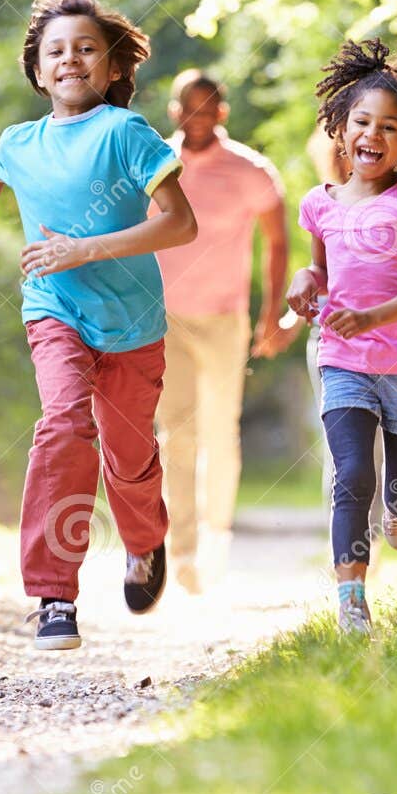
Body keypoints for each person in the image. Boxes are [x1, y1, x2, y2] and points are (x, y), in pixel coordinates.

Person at [0, 0, 198, 651]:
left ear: (112, 67)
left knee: (129, 458)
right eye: (55, 50)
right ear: (37, 70)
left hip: (132, 324)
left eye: (87, 48)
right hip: (53, 310)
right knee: (62, 424)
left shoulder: (126, 133)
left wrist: (84, 248)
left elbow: (180, 223)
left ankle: (145, 542)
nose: (70, 59)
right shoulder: (19, 142)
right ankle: (53, 594)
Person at [285, 38, 397, 635]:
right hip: (344, 361)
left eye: (389, 126)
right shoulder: (319, 204)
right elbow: (320, 274)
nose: (372, 136)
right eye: (361, 121)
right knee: (352, 473)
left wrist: (373, 318)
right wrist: (305, 283)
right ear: (340, 126)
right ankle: (351, 599)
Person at [153, 69, 291, 593]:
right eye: (190, 108)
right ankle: (181, 549)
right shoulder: (156, 164)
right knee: (177, 434)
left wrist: (271, 313)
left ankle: (216, 536)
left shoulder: (251, 171)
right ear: (175, 111)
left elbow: (277, 243)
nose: (199, 118)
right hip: (165, 319)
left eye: (209, 108)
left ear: (223, 113)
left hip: (225, 319)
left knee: (220, 432)